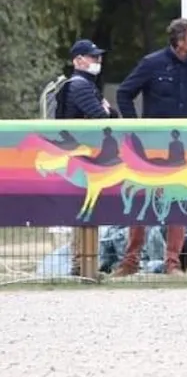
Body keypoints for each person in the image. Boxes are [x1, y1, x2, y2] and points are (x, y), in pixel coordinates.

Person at [112, 18, 187, 276]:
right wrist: (135, 128)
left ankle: (173, 264)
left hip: (185, 148)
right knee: (142, 202)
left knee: (179, 202)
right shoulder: (151, 63)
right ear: (180, 40)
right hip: (151, 147)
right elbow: (125, 93)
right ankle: (130, 262)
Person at [56, 38, 118, 276]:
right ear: (78, 60)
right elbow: (101, 117)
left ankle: (82, 263)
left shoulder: (84, 84)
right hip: (80, 157)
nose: (98, 60)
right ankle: (81, 264)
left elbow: (110, 114)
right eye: (93, 57)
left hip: (80, 156)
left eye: (98, 56)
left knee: (85, 210)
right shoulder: (80, 85)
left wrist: (107, 110)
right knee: (84, 210)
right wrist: (105, 110)